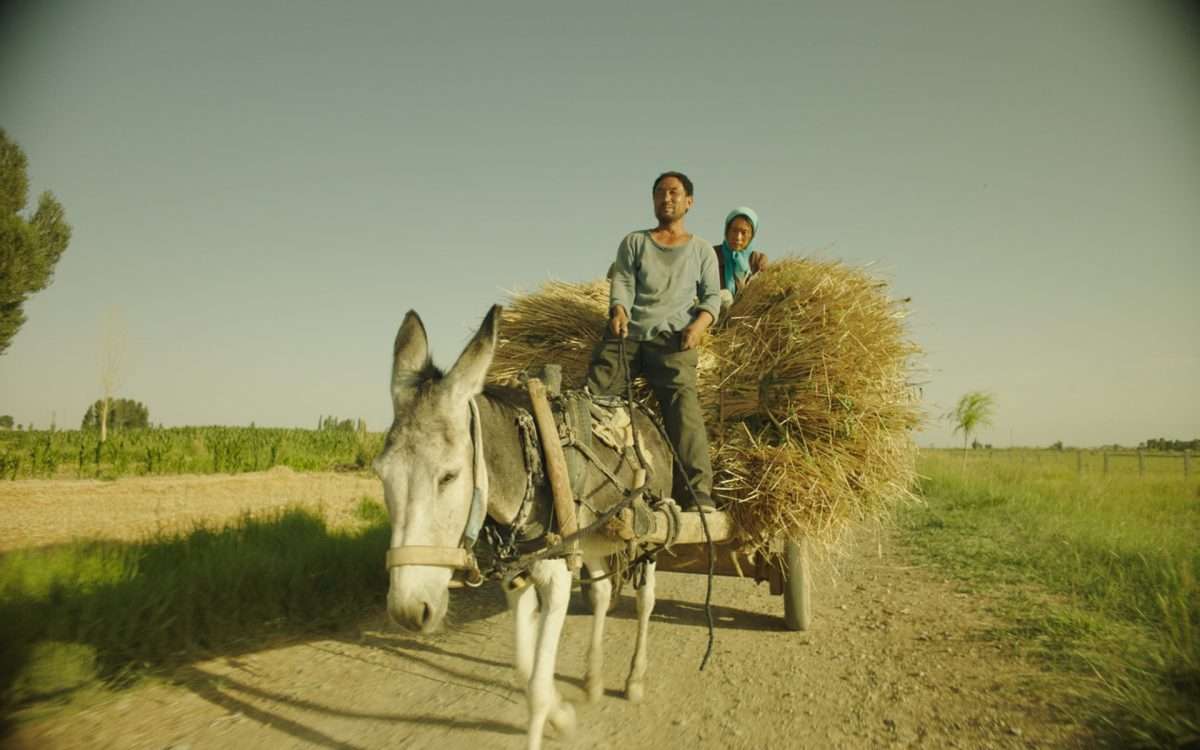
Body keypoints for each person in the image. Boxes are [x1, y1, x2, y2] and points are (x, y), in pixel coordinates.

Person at [585, 171, 721, 512]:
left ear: (689, 201)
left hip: (673, 339)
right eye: (660, 193)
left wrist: (698, 326)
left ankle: (698, 494)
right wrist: (618, 310)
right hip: (628, 336)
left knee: (683, 408)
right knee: (592, 399)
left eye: (674, 192)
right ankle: (583, 480)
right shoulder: (634, 242)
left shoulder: (702, 251)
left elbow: (711, 298)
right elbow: (624, 284)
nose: (667, 198)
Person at [714, 207, 768, 306]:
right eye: (734, 230)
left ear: (752, 235)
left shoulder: (758, 260)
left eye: (744, 232)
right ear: (727, 230)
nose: (738, 237)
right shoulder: (713, 254)